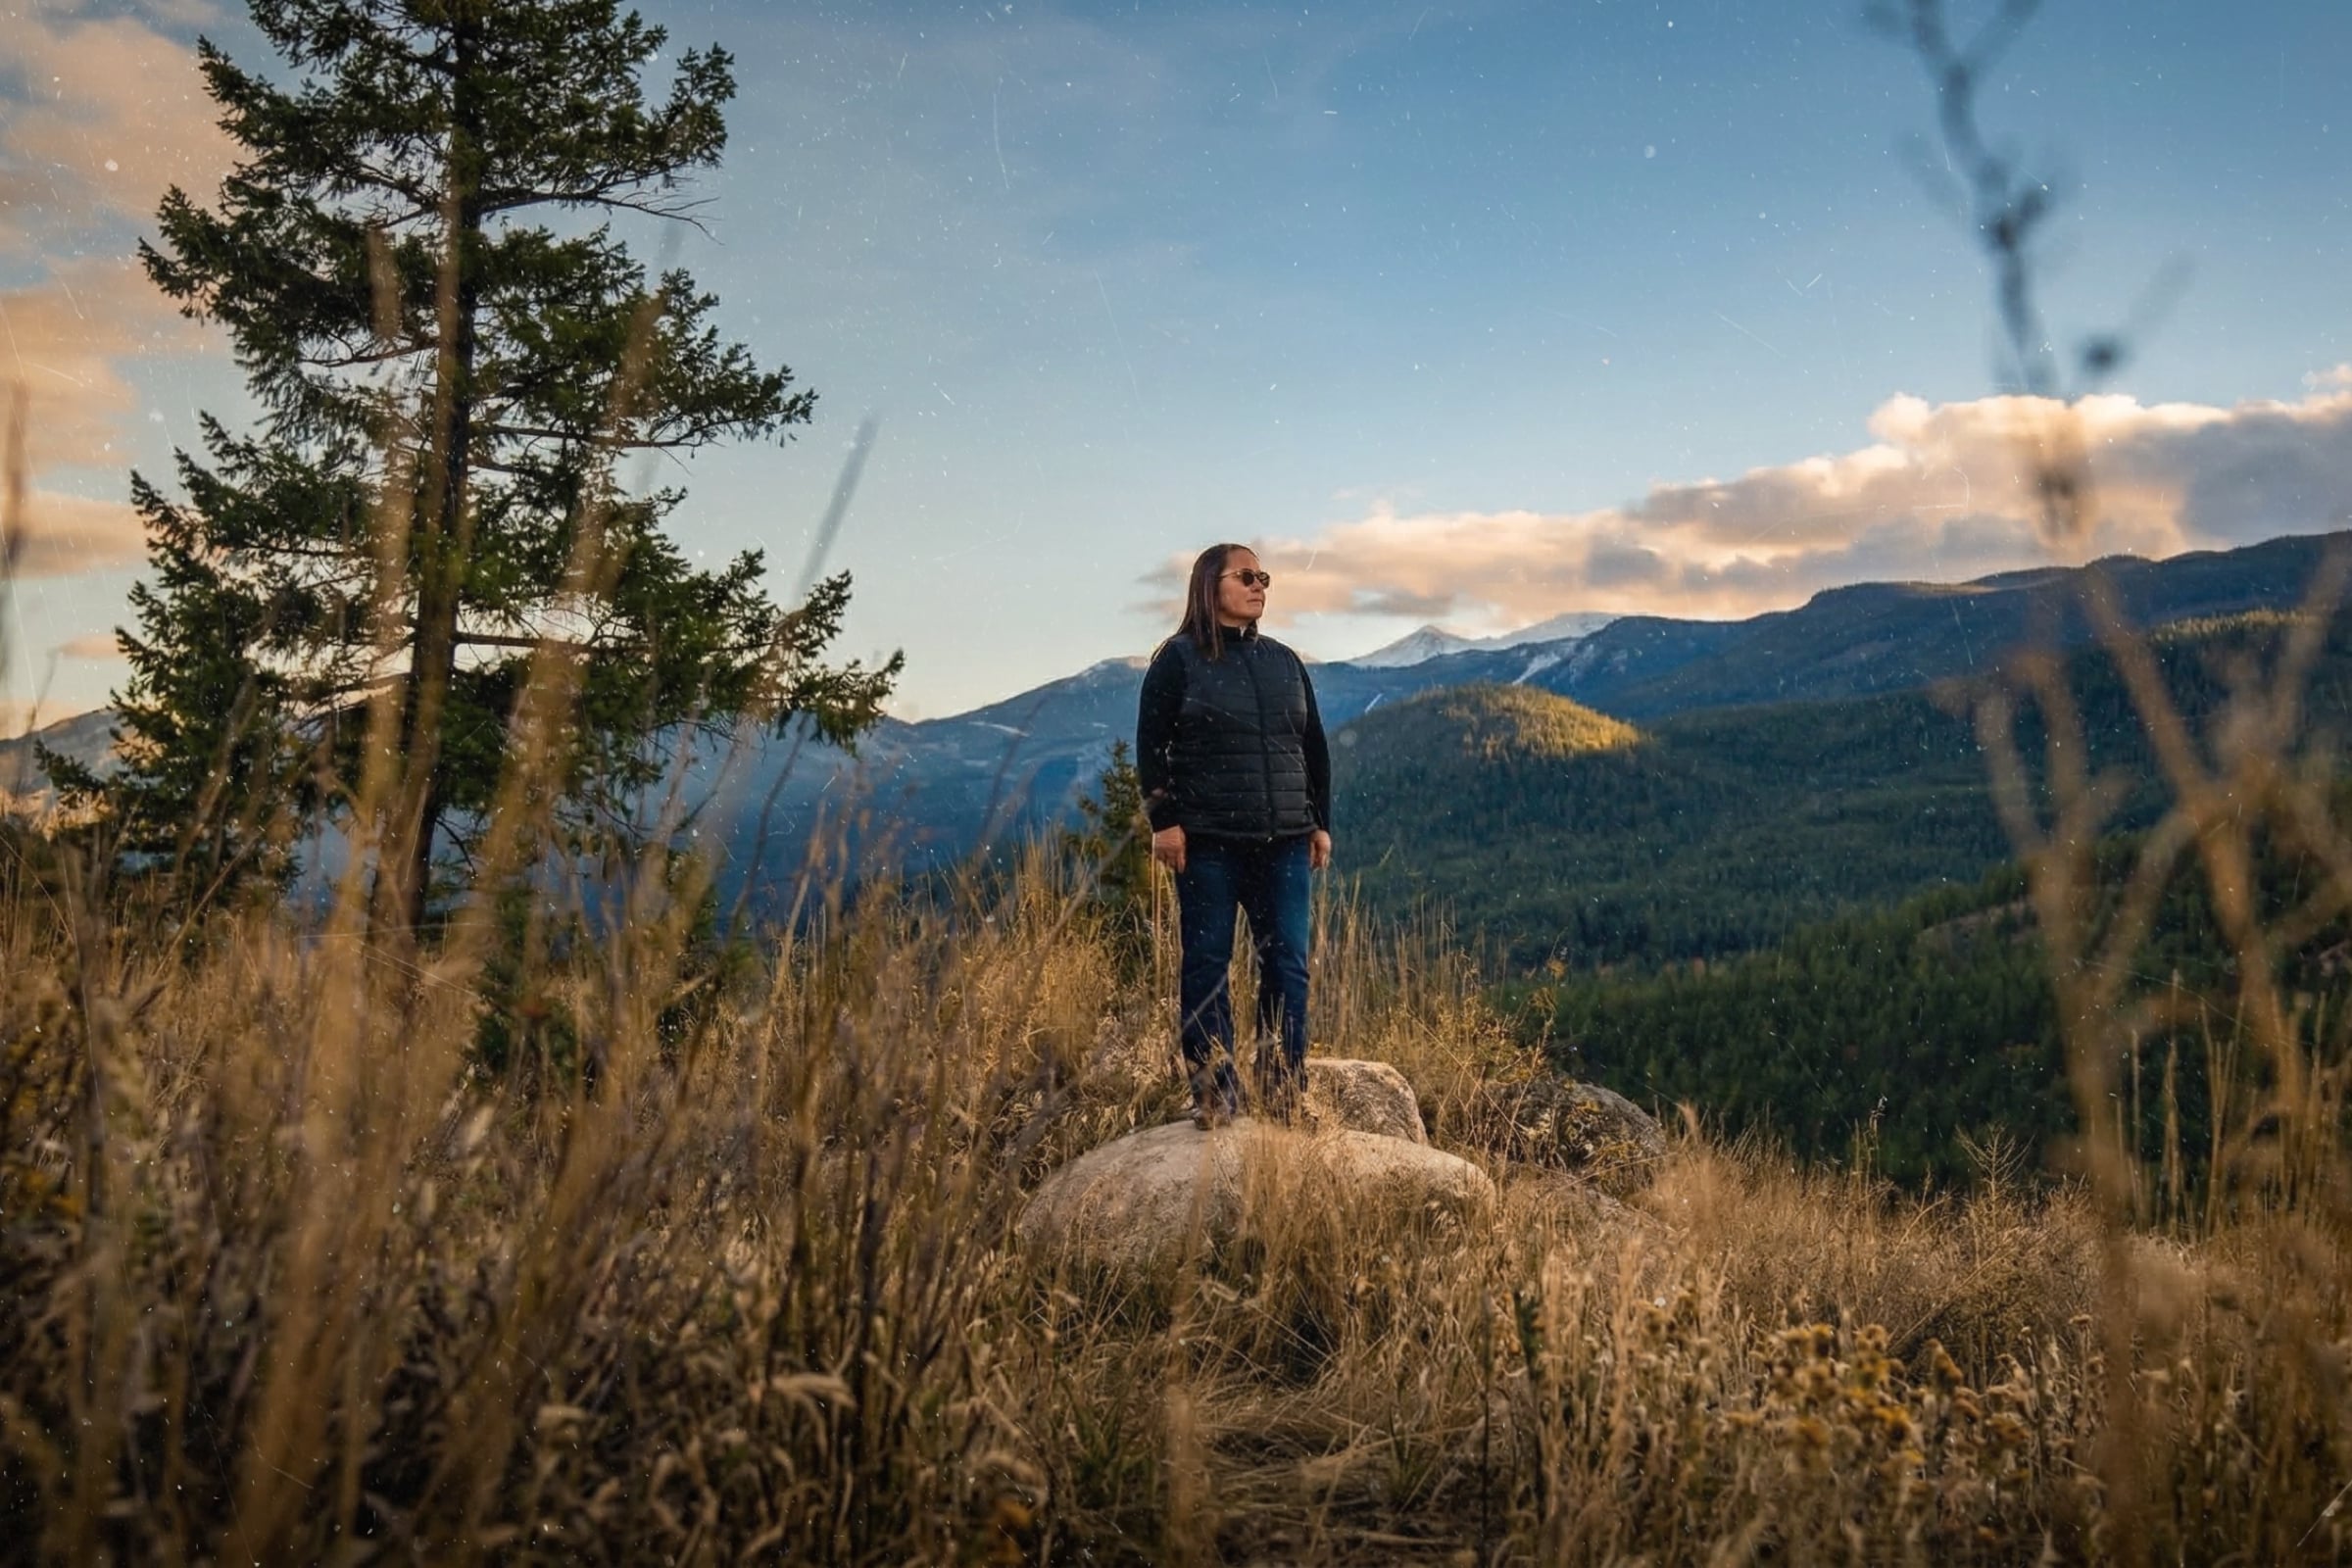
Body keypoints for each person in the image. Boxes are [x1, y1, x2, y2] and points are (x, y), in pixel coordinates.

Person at [1134, 543, 1334, 1128]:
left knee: (1288, 967)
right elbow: (1150, 746)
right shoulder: (1177, 660)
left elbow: (1313, 747)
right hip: (1207, 842)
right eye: (1246, 576)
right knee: (1206, 966)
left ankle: (1282, 1092)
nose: (1259, 586)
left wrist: (1320, 823)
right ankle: (1215, 1092)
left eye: (1263, 577)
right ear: (1209, 586)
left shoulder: (1284, 661)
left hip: (1285, 841)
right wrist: (1164, 823)